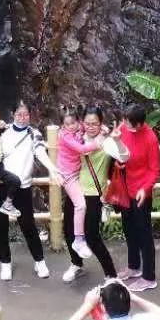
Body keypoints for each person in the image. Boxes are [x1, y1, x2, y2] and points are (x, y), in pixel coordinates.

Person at [0, 100, 62, 282]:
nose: (23, 118)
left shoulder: (33, 133)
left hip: (22, 187)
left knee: (28, 225)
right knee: (0, 226)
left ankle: (40, 261)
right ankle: (5, 263)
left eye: (26, 114)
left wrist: (52, 168)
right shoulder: (2, 131)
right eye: (19, 114)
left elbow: (39, 151)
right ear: (13, 114)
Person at [62, 108, 119, 285]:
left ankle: (111, 275)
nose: (91, 127)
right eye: (87, 123)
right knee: (69, 231)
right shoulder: (77, 137)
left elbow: (122, 157)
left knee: (92, 237)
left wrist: (116, 140)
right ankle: (76, 264)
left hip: (94, 194)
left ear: (101, 123)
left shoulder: (107, 142)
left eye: (95, 123)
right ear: (82, 123)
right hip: (76, 191)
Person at [117, 101, 160, 293]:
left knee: (144, 234)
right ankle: (133, 266)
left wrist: (145, 188)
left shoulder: (150, 138)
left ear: (139, 124)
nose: (124, 125)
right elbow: (118, 151)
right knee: (128, 229)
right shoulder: (122, 128)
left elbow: (155, 170)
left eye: (128, 123)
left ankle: (149, 277)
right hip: (125, 187)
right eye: (124, 121)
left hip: (141, 192)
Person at [57, 105, 102, 261]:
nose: (72, 126)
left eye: (74, 123)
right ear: (62, 125)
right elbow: (82, 149)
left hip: (78, 173)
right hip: (69, 175)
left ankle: (78, 247)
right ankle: (79, 239)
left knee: (79, 207)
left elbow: (90, 125)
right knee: (81, 205)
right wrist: (99, 142)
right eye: (67, 124)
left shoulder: (79, 128)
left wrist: (103, 130)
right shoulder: (65, 136)